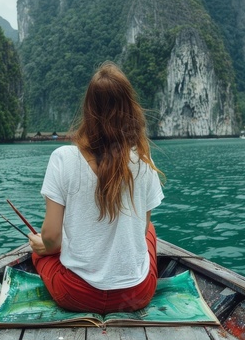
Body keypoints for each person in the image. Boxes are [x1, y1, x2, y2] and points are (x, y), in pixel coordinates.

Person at [28, 61, 164, 314]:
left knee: (40, 251)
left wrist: (44, 246)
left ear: (88, 109)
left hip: (76, 295)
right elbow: (142, 228)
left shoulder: (63, 158)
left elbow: (51, 238)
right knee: (151, 231)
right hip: (136, 295)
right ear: (130, 110)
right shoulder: (144, 162)